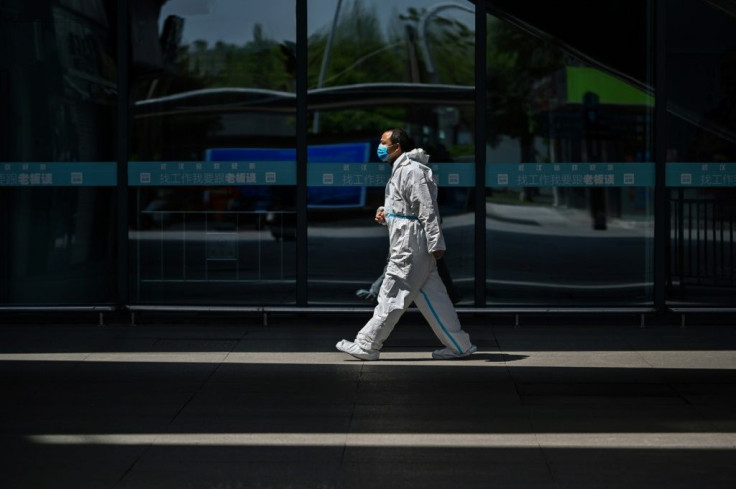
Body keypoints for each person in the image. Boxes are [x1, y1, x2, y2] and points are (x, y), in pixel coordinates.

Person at [336, 128, 477, 361]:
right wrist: (386, 214)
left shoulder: (412, 170)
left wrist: (436, 242)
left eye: (384, 142)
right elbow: (407, 207)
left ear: (397, 146)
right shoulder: (403, 169)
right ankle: (459, 345)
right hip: (412, 242)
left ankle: (367, 345)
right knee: (435, 298)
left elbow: (427, 208)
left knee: (392, 293)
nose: (380, 147)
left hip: (410, 245)